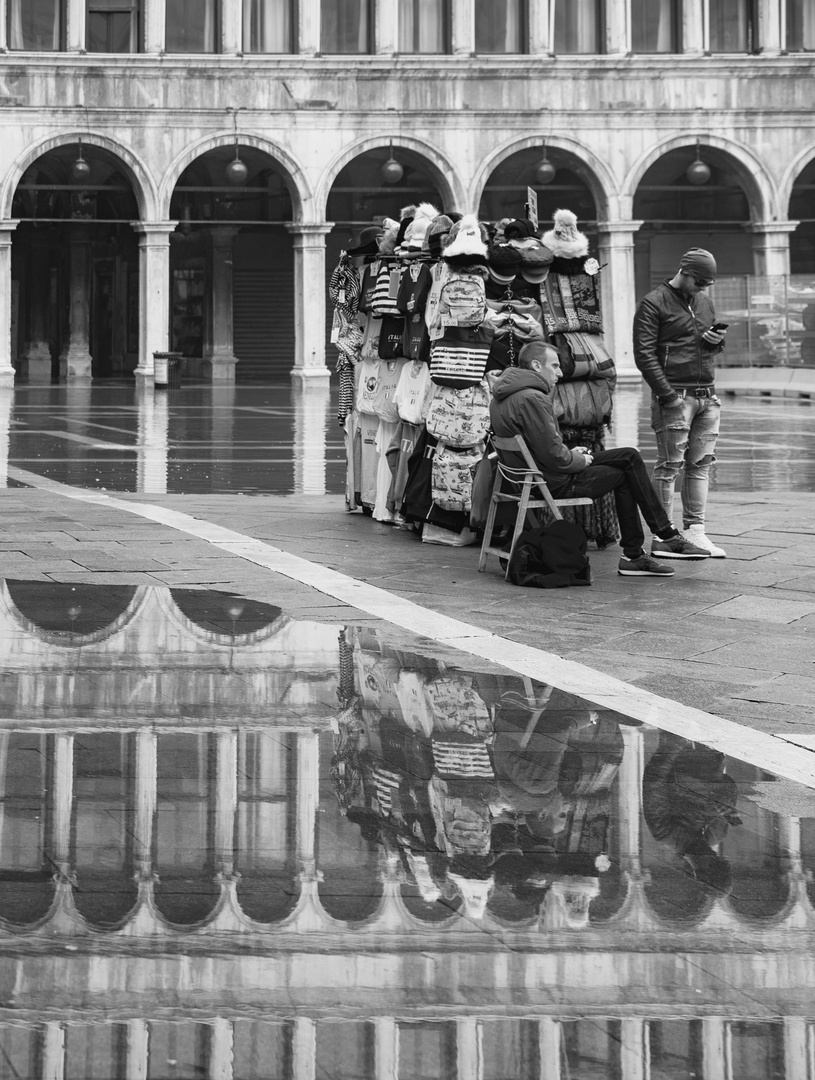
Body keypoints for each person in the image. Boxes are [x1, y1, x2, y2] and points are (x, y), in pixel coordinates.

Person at [488, 342, 710, 577]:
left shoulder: (502, 397)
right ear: (536, 365)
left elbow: (542, 447)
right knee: (626, 472)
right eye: (554, 366)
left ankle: (658, 540)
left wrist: (574, 454)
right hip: (552, 481)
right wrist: (578, 460)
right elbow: (554, 457)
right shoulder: (533, 398)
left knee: (629, 456)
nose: (560, 373)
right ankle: (648, 546)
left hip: (528, 478)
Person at [633, 248, 728, 558]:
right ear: (684, 272)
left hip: (706, 393)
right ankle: (664, 537)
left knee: (701, 465)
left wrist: (715, 343)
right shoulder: (653, 302)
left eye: (707, 283)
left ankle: (695, 532)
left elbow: (703, 346)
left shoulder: (703, 301)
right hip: (675, 396)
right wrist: (668, 395)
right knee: (669, 466)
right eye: (699, 281)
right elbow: (644, 354)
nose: (703, 288)